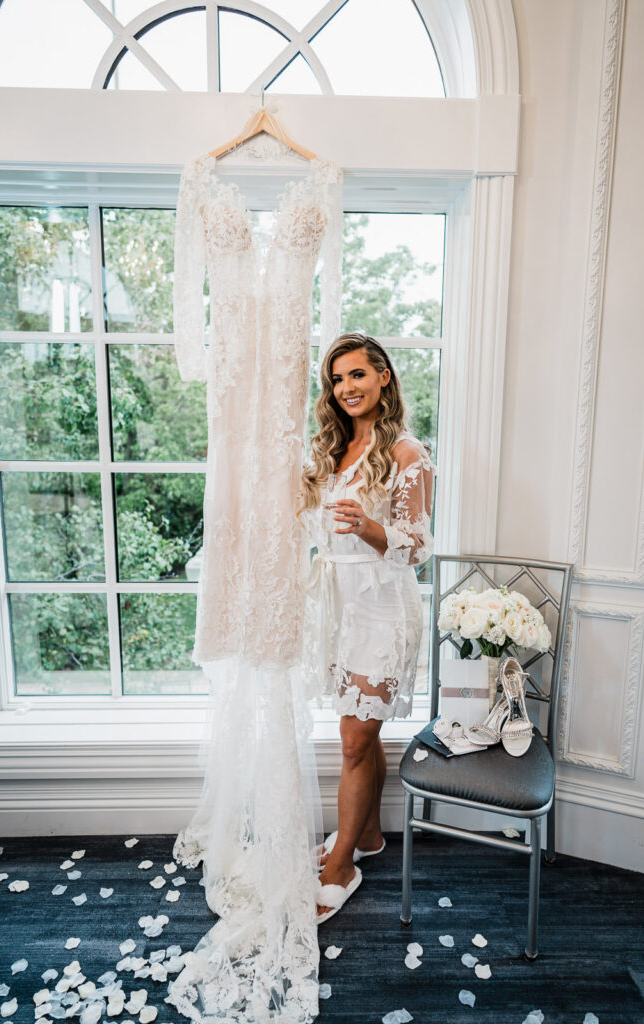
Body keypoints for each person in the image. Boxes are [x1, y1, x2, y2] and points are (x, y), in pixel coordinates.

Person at [295, 331, 435, 922]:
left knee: (353, 742)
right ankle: (372, 835)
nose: (346, 387)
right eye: (336, 378)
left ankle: (342, 864)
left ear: (383, 377)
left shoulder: (407, 453)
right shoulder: (330, 448)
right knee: (364, 734)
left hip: (383, 609)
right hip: (337, 606)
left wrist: (369, 527)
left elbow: (420, 548)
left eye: (357, 374)